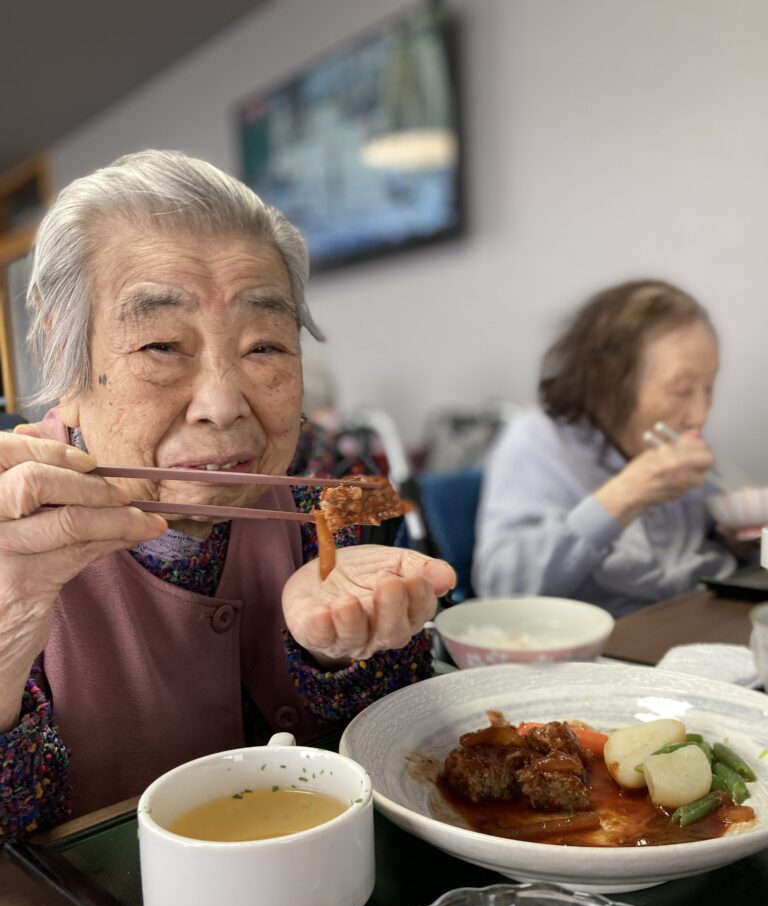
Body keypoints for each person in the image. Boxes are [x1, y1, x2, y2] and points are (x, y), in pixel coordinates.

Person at [0, 150, 455, 841]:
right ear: (63, 353)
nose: (222, 404)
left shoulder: (329, 481)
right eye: (160, 345)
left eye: (265, 347)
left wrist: (345, 649)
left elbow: (409, 751)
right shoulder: (13, 523)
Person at [473, 279, 739, 617]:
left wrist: (736, 538)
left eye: (709, 388)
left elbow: (697, 550)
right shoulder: (536, 440)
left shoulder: (667, 439)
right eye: (682, 390)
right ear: (608, 382)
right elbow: (499, 587)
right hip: (620, 638)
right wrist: (627, 493)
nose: (700, 416)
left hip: (706, 615)